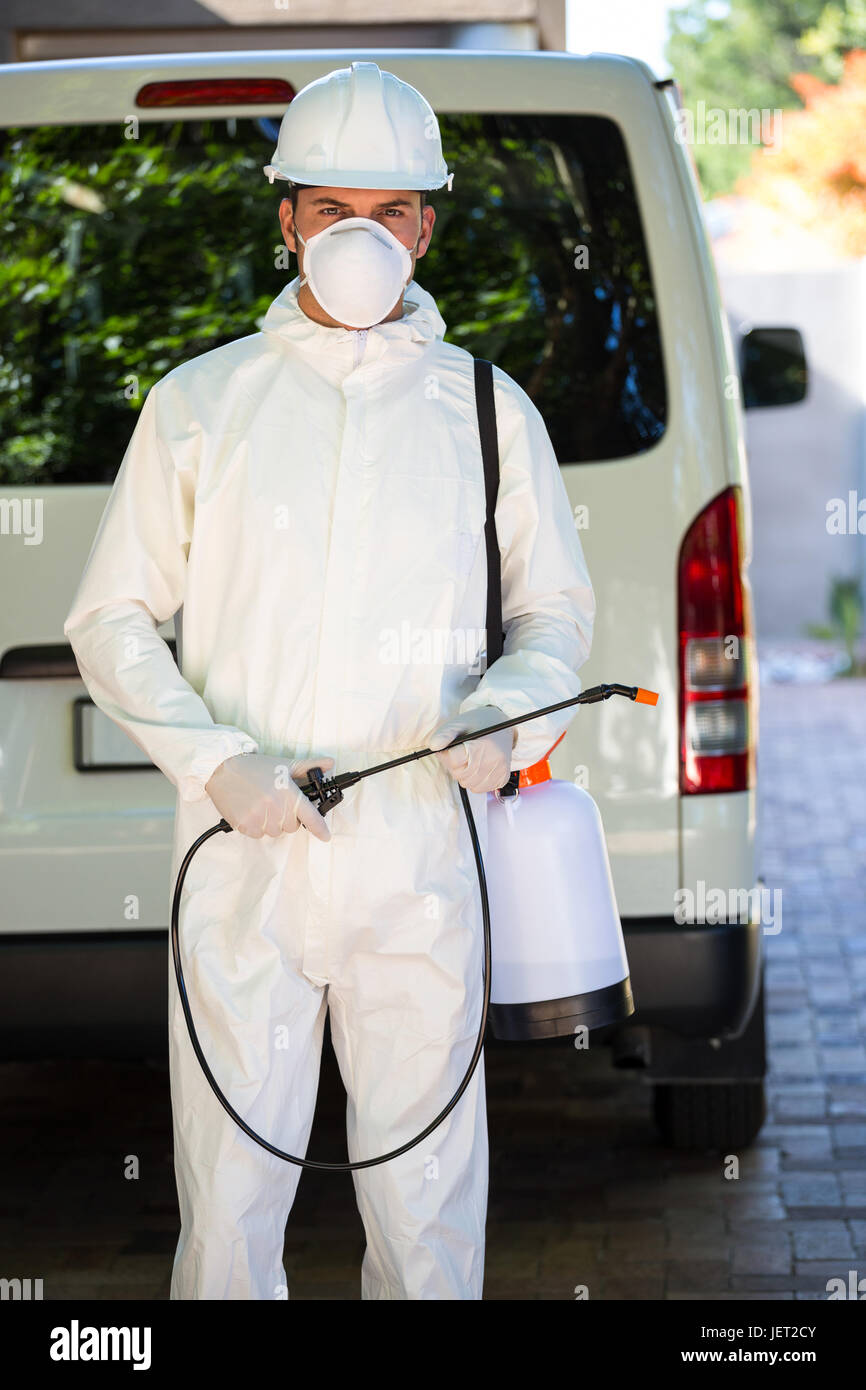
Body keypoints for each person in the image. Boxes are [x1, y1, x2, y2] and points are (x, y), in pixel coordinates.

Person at [63, 61, 595, 1301]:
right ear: (286, 215)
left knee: (426, 1208)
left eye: (390, 210)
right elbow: (111, 615)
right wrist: (214, 762)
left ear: (426, 223)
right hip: (240, 858)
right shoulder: (201, 405)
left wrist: (504, 716)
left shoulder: (485, 411)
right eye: (329, 209)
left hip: (419, 864)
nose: (359, 237)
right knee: (229, 1213)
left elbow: (555, 616)